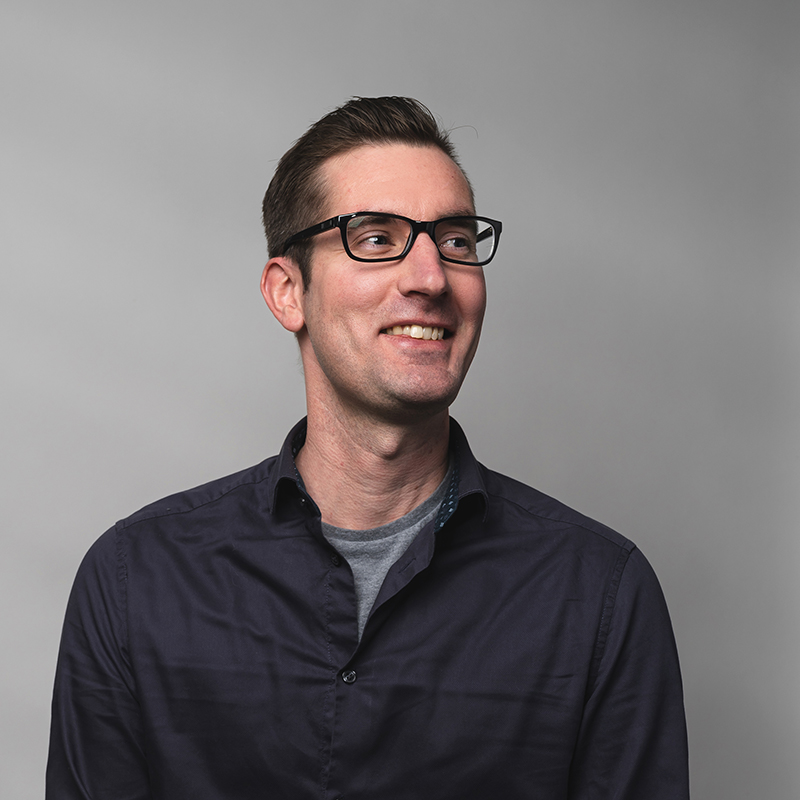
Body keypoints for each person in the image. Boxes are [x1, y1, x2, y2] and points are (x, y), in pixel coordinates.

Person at [46, 96, 689, 799]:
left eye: (455, 241)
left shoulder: (600, 595)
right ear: (288, 292)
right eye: (377, 239)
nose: (431, 277)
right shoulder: (135, 580)